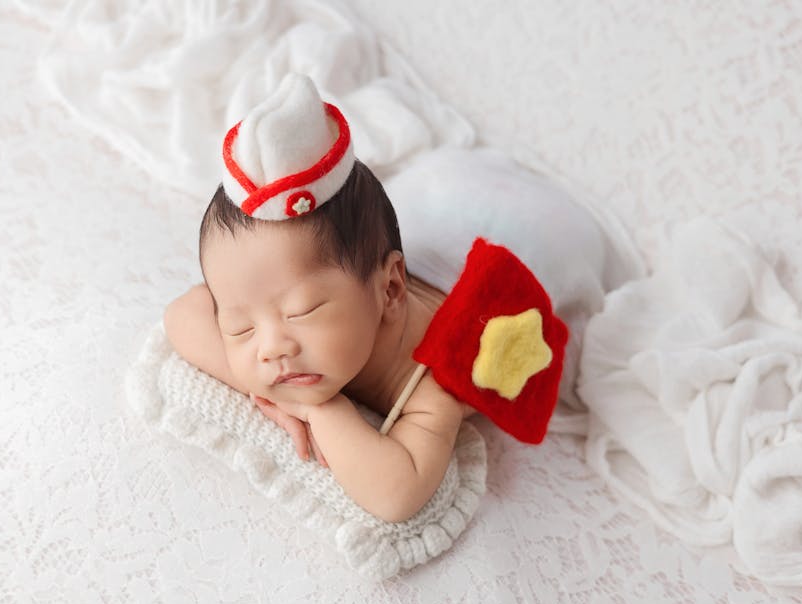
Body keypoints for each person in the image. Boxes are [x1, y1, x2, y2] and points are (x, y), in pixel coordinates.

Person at [164, 74, 564, 523]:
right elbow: (183, 314)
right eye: (241, 327)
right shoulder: (322, 311)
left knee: (542, 235)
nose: (271, 347)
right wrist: (287, 396)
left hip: (499, 223)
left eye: (302, 311)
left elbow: (398, 493)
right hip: (400, 235)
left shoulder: (430, 376)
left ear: (390, 289)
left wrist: (323, 408)